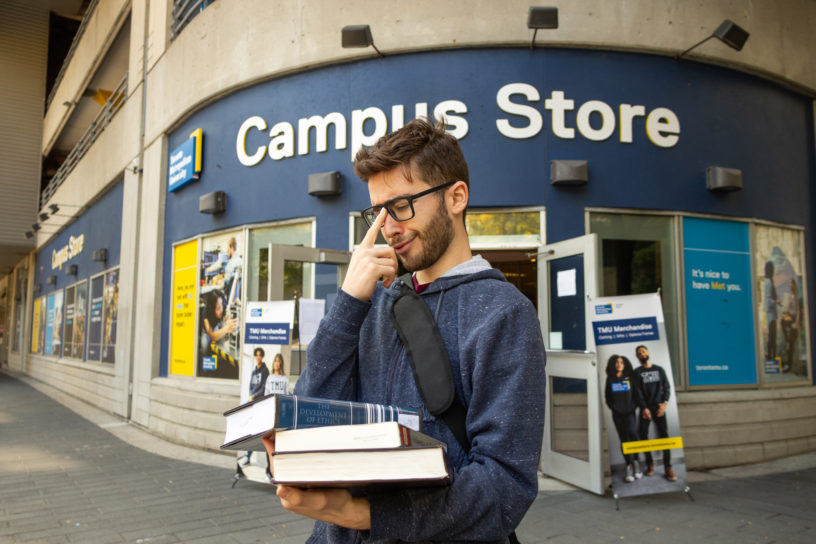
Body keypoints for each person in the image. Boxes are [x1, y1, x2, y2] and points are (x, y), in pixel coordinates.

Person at [264, 118, 546, 543]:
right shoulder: (373, 302)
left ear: (456, 197)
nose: (388, 227)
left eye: (401, 206)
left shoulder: (504, 314)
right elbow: (309, 417)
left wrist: (363, 514)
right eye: (377, 212)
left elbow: (504, 487)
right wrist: (347, 305)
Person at [633, 345, 676, 481]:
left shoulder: (659, 369)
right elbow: (637, 392)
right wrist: (644, 408)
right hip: (645, 408)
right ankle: (649, 463)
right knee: (642, 435)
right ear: (638, 357)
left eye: (643, 351)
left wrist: (665, 404)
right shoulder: (637, 372)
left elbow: (667, 387)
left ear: (648, 352)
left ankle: (668, 467)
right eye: (639, 353)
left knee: (665, 436)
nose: (642, 354)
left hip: (659, 407)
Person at [604, 355, 642, 483]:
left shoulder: (630, 378)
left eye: (621, 362)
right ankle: (629, 466)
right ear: (613, 365)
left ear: (625, 365)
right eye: (617, 362)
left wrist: (633, 407)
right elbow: (607, 397)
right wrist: (614, 408)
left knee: (633, 435)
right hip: (617, 415)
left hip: (630, 413)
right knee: (624, 439)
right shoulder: (610, 379)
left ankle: (636, 462)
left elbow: (636, 395)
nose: (619, 364)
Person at [239, 347, 270, 467]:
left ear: (262, 357)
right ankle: (248, 455)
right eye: (256, 355)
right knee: (251, 430)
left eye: (260, 355)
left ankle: (266, 465)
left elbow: (263, 388)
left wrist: (254, 396)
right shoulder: (253, 371)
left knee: (258, 431)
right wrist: (250, 396)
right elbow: (250, 386)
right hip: (253, 403)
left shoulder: (265, 371)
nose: (258, 357)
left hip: (260, 403)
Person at [200, 289, 237, 357]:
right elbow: (212, 336)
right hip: (207, 331)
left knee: (219, 344)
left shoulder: (223, 305)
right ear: (211, 309)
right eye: (218, 308)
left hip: (216, 326)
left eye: (221, 306)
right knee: (204, 347)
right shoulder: (205, 313)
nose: (221, 310)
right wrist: (226, 328)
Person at [780, 279, 801, 373]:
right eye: (789, 284)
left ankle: (789, 364)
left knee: (791, 344)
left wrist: (796, 323)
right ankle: (788, 341)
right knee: (782, 322)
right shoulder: (790, 296)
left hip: (794, 319)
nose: (789, 286)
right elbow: (787, 310)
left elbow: (798, 312)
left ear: (794, 286)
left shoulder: (796, 297)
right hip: (790, 317)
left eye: (791, 284)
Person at [763, 260, 779, 361]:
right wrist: (775, 302)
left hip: (772, 313)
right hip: (770, 314)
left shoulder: (769, 281)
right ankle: (771, 355)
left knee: (772, 336)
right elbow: (768, 300)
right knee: (772, 336)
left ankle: (771, 355)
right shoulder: (768, 282)